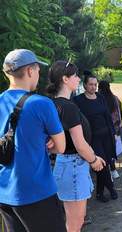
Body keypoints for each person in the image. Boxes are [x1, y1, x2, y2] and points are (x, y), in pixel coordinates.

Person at [0, 49, 66, 232]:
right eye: (38, 70)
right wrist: (48, 143)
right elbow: (61, 147)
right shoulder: (40, 103)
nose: (38, 74)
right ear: (30, 70)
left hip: (4, 193)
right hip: (36, 193)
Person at [46, 60, 106, 231]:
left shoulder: (53, 104)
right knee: (75, 222)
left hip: (66, 164)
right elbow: (79, 144)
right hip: (73, 165)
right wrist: (94, 160)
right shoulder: (68, 107)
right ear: (65, 79)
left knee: (73, 221)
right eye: (75, 76)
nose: (79, 79)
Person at [74, 75, 118, 202]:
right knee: (101, 164)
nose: (93, 87)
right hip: (92, 138)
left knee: (107, 162)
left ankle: (99, 193)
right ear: (85, 85)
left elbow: (108, 117)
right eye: (91, 84)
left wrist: (113, 133)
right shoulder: (78, 100)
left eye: (95, 84)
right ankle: (110, 187)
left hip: (106, 136)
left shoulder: (100, 97)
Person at [98, 80, 122, 179]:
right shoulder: (114, 98)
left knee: (103, 150)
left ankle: (108, 170)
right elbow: (120, 112)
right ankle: (113, 170)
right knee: (112, 148)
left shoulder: (98, 99)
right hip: (115, 127)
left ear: (99, 88)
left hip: (103, 128)